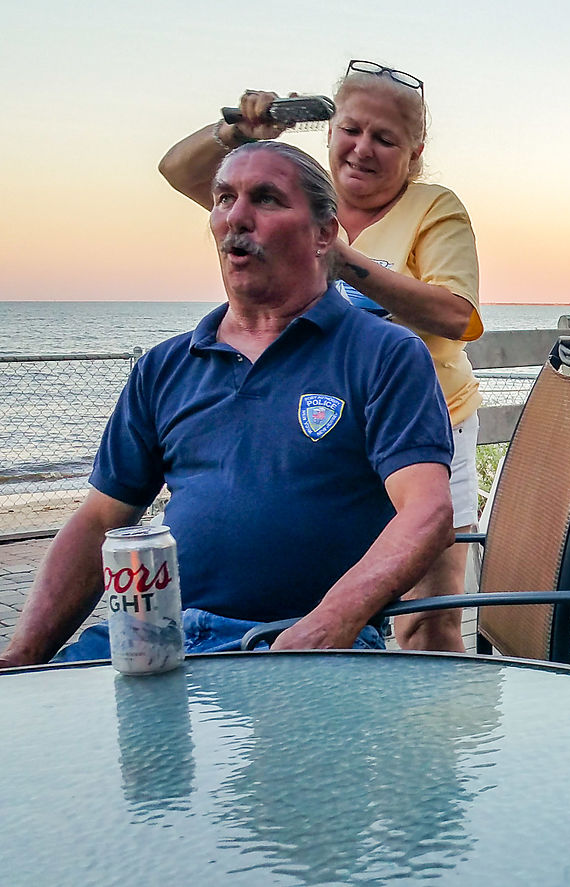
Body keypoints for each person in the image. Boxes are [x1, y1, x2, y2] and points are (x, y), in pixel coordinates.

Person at [0, 142, 455, 667]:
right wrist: (22, 658)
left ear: (324, 235)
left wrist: (328, 624)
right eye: (223, 198)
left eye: (266, 199)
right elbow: (101, 519)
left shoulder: (384, 354)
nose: (236, 216)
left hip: (298, 643)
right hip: (156, 637)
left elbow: (427, 510)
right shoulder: (166, 367)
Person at [157, 60, 482, 653]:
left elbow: (458, 316)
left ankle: (428, 743)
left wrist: (340, 255)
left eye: (385, 139)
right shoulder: (296, 195)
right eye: (351, 130)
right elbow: (176, 171)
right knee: (315, 594)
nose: (363, 149)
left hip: (425, 426)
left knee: (427, 619)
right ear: (329, 132)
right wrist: (238, 133)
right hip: (320, 428)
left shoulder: (433, 208)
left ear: (414, 154)